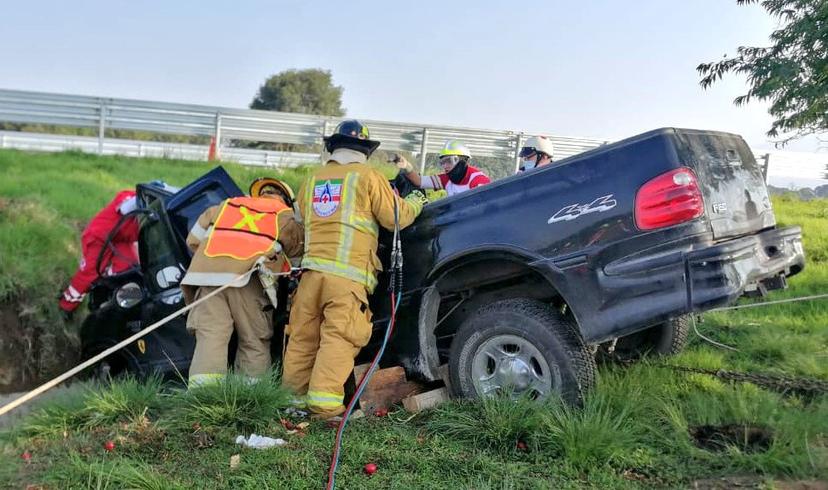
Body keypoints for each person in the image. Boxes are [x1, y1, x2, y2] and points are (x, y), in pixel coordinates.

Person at [282, 119, 427, 419]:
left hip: (310, 276)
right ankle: (323, 405)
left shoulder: (312, 180)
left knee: (302, 337)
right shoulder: (367, 177)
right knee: (339, 337)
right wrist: (415, 200)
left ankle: (291, 401)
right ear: (365, 151)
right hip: (346, 278)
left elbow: (299, 227)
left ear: (333, 147)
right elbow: (394, 218)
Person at [181, 178, 304, 387]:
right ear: (286, 200)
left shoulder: (225, 205)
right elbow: (296, 260)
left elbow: (192, 240)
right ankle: (250, 400)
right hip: (249, 281)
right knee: (254, 340)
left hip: (207, 280)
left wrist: (217, 262)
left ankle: (203, 401)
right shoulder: (285, 215)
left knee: (210, 337)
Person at [59, 190, 140, 319]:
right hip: (98, 237)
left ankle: (103, 299)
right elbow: (125, 208)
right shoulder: (129, 198)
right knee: (89, 274)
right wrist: (142, 201)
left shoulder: (150, 219)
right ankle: (66, 305)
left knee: (128, 269)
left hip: (120, 240)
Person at [395, 140, 491, 196]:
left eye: (449, 161)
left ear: (463, 160)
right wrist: (406, 166)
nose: (445, 166)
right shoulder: (446, 179)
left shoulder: (478, 180)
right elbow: (420, 182)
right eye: (442, 162)